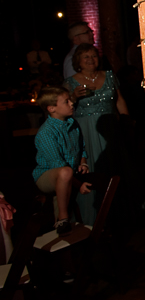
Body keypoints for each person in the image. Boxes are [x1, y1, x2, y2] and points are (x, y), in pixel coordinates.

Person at [64, 44, 129, 225]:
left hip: (110, 129)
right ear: (78, 61)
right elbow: (63, 109)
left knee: (115, 168)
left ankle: (117, 215)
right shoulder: (71, 82)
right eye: (86, 57)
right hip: (87, 132)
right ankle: (92, 217)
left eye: (93, 56)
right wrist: (74, 97)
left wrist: (126, 122)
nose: (91, 59)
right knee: (93, 170)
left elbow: (120, 100)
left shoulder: (109, 76)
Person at [32, 86, 93, 235]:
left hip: (68, 174)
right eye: (66, 102)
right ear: (52, 108)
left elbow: (82, 147)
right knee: (65, 172)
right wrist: (78, 184)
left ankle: (71, 233)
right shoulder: (46, 133)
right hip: (48, 175)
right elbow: (58, 166)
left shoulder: (72, 123)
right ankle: (62, 218)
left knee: (68, 178)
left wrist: (83, 162)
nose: (72, 103)